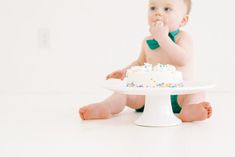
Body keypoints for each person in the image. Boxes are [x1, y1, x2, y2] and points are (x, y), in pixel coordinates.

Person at [79, 0, 212, 122]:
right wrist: (125, 71)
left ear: (183, 20)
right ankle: (106, 107)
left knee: (197, 92)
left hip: (179, 94)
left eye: (167, 9)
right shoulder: (147, 41)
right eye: (153, 8)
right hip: (148, 95)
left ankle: (189, 110)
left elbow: (183, 60)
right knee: (123, 93)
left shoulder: (183, 37)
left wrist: (163, 39)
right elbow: (140, 63)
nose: (158, 13)